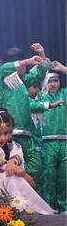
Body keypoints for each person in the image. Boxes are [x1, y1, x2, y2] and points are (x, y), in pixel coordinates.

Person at [0, 44, 52, 193]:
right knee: (12, 170)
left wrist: (42, 54)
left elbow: (39, 74)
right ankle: (14, 201)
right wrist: (26, 61)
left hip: (27, 133)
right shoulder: (2, 80)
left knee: (36, 167)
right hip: (8, 134)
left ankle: (30, 200)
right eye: (22, 65)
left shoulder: (23, 81)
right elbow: (2, 69)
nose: (25, 68)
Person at [0, 109, 53, 214]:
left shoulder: (15, 146)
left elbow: (18, 158)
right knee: (8, 177)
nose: (3, 137)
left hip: (13, 180)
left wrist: (12, 163)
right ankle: (19, 209)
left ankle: (28, 209)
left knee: (12, 177)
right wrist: (9, 166)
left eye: (6, 133)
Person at [40, 63, 67, 211]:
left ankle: (64, 205)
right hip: (47, 141)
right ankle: (49, 206)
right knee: (49, 175)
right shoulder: (41, 96)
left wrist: (63, 69)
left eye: (55, 80)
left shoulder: (64, 94)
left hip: (65, 140)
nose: (53, 84)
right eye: (49, 81)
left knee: (64, 175)